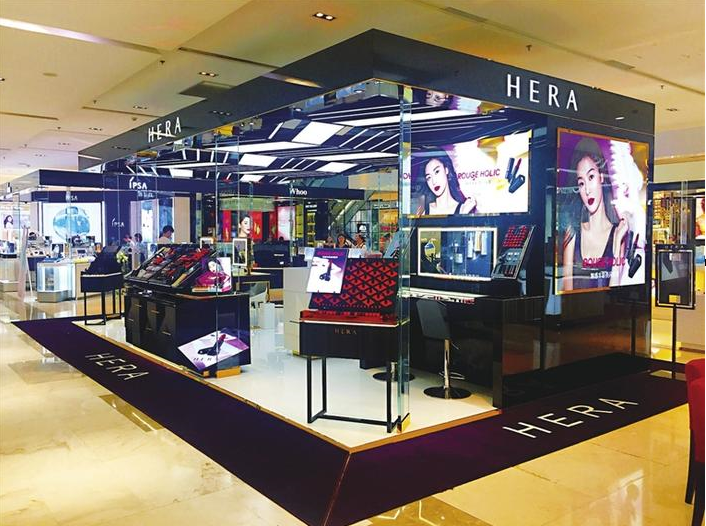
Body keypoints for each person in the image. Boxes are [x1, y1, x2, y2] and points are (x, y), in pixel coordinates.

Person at [561, 137, 628, 292]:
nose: (587, 190)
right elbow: (566, 294)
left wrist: (616, 247)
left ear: (601, 177)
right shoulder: (572, 233)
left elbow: (615, 294)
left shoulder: (617, 235)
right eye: (581, 183)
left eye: (591, 177)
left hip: (608, 308)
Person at [418, 151, 476, 215]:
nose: (434, 182)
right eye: (429, 177)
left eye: (437, 172)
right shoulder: (423, 210)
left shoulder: (463, 209)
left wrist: (462, 214)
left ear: (446, 170)